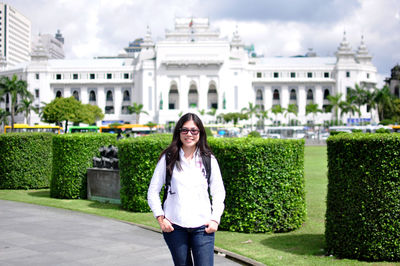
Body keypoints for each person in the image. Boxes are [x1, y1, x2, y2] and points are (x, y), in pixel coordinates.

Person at [148, 113, 225, 266]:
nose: (189, 134)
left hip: (203, 228)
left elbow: (218, 191)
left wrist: (215, 218)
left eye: (194, 131)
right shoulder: (168, 158)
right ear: (179, 132)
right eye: (185, 130)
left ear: (200, 133)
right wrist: (160, 218)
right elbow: (153, 191)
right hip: (174, 227)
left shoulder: (208, 159)